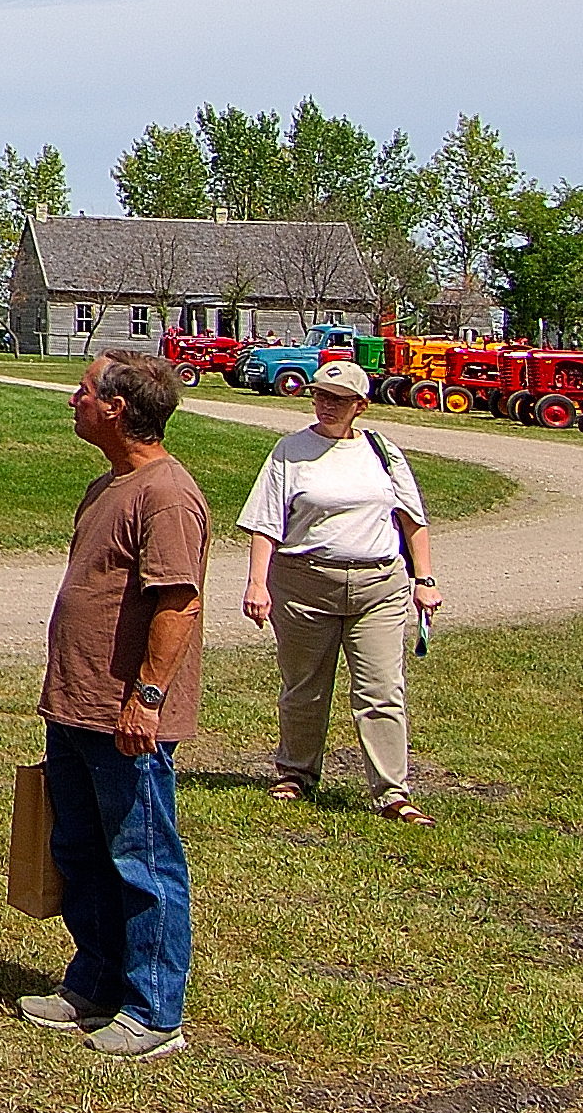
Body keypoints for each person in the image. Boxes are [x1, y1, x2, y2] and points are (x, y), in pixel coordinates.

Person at [30, 350, 207, 1059]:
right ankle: (94, 984)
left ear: (116, 407)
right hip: (77, 706)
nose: (71, 401)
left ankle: (155, 1011)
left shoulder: (166, 495)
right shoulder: (108, 485)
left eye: (81, 392)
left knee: (142, 858)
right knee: (80, 850)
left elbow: (178, 602)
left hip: (127, 717)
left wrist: (147, 698)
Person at [239, 355, 442, 821]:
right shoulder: (289, 451)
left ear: (361, 406)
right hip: (306, 583)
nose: (326, 405)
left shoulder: (382, 451)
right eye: (320, 396)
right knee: (305, 686)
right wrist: (257, 583)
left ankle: (393, 793)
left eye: (339, 399)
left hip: (379, 585)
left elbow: (413, 520)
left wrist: (424, 580)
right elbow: (265, 522)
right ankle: (295, 774)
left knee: (381, 689)